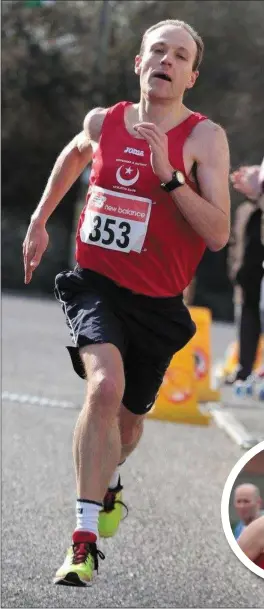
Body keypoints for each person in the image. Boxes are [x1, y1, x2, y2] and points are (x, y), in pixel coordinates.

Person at [23, 19, 230, 587]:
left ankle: (107, 484)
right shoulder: (104, 121)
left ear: (192, 74)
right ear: (138, 63)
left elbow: (217, 234)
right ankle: (83, 540)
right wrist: (40, 222)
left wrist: (169, 178)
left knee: (130, 424)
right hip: (97, 282)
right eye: (157, 50)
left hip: (159, 302)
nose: (166, 59)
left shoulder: (203, 139)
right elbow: (73, 154)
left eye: (179, 54)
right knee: (103, 386)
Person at [228, 164, 264, 383]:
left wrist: (259, 192)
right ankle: (244, 369)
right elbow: (234, 243)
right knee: (246, 325)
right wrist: (234, 269)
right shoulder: (244, 211)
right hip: (246, 278)